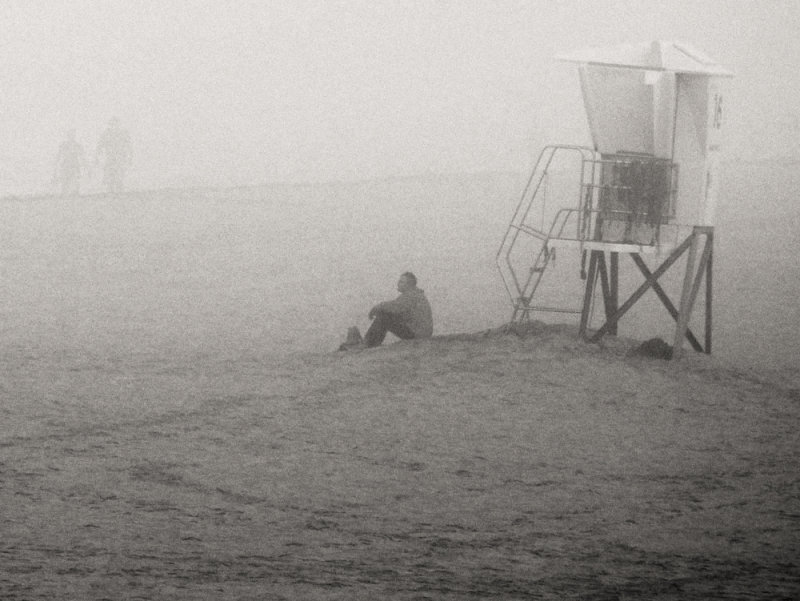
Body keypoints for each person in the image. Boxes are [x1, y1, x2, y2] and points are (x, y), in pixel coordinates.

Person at [340, 272, 433, 350]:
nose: (398, 284)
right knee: (385, 314)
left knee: (384, 317)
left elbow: (395, 307)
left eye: (401, 282)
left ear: (409, 284)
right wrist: (380, 308)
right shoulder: (414, 294)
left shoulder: (412, 295)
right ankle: (368, 342)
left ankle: (367, 344)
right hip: (419, 333)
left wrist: (377, 307)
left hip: (418, 335)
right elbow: (397, 307)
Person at [96, 117, 132, 193]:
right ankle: (111, 189)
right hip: (111, 157)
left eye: (115, 123)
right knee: (110, 174)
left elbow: (128, 145)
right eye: (112, 124)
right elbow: (100, 145)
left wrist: (130, 157)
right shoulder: (107, 134)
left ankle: (119, 189)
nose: (114, 126)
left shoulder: (122, 133)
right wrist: (97, 155)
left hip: (119, 157)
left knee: (119, 173)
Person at [53, 129, 85, 195]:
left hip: (74, 166)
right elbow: (59, 156)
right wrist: (55, 168)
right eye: (70, 135)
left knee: (75, 184)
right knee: (65, 184)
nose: (72, 136)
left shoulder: (77, 145)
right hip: (66, 166)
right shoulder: (64, 145)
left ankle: (75, 197)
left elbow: (82, 157)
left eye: (73, 135)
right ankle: (65, 198)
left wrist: (86, 167)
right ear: (68, 136)